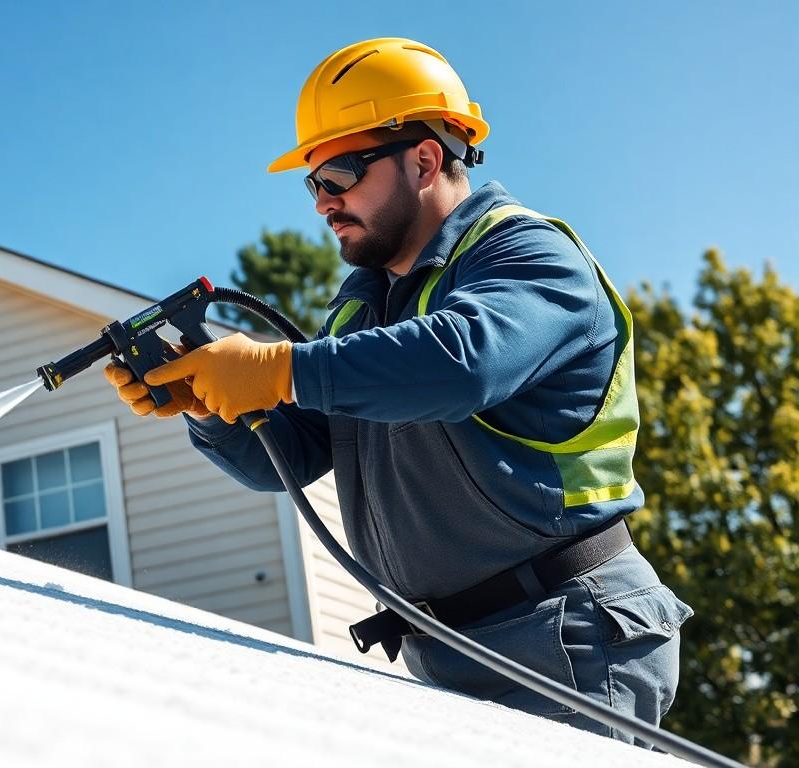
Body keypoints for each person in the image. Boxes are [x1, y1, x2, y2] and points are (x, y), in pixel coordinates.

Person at [103, 37, 693, 745]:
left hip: (566, 634)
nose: (324, 201)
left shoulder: (529, 256)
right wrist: (214, 411)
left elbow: (463, 362)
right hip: (444, 652)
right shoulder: (363, 305)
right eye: (312, 182)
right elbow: (287, 458)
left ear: (425, 158)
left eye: (342, 173)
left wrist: (280, 367)